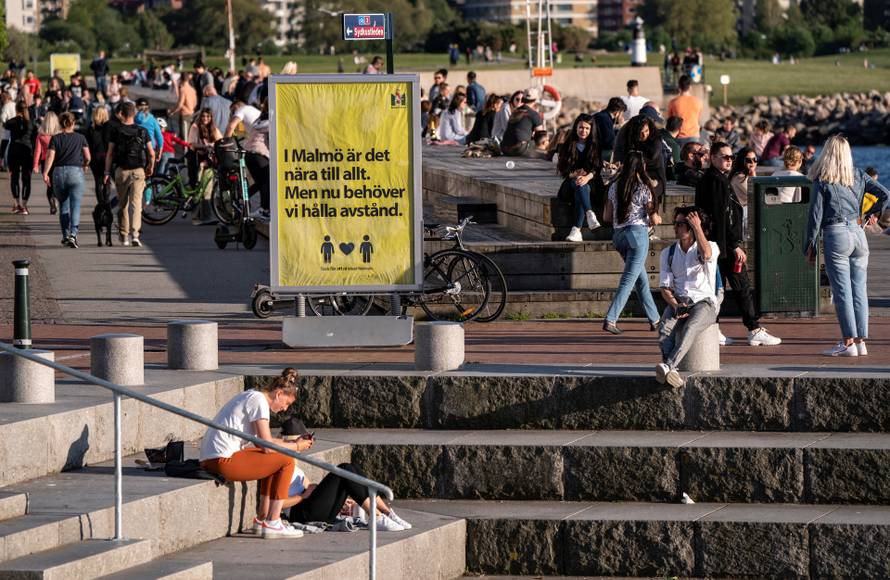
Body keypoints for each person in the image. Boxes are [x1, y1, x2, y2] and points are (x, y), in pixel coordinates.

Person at [804, 135, 889, 357]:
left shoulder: (822, 180)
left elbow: (815, 216)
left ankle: (847, 342)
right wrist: (873, 214)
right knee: (859, 290)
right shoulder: (859, 174)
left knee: (842, 292)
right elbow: (885, 194)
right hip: (858, 233)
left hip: (836, 235)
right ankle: (861, 342)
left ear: (827, 153)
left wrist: (809, 245)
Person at [199, 368, 307, 539]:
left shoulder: (253, 396)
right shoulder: (259, 401)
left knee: (275, 458)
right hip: (221, 460)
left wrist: (293, 443)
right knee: (286, 460)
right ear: (279, 394)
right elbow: (266, 445)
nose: (285, 409)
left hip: (213, 458)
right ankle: (273, 521)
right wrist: (297, 447)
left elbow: (263, 442)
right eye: (286, 403)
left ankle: (263, 519)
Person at [695, 142, 781, 346]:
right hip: (723, 245)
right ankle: (753, 329)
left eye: (731, 157)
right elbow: (721, 216)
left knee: (717, 288)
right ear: (712, 157)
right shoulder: (717, 181)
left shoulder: (711, 179)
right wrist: (734, 245)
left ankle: (714, 328)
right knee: (740, 286)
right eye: (724, 157)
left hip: (716, 244)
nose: (729, 160)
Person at [277, 418, 411, 532]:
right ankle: (376, 517)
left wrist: (338, 497)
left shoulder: (293, 463)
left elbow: (310, 488)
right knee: (344, 469)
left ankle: (386, 513)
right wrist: (303, 496)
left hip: (313, 508)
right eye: (305, 439)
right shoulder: (279, 464)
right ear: (292, 441)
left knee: (353, 468)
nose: (308, 444)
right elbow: (277, 502)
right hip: (301, 514)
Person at [655, 206, 720, 387]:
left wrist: (698, 227)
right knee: (664, 329)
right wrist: (675, 305)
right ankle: (671, 372)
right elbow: (665, 287)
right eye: (675, 223)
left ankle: (668, 365)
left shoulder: (710, 246)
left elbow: (706, 255)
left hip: (704, 303)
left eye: (680, 224)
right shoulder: (668, 253)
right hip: (679, 301)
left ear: (691, 227)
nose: (675, 228)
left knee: (690, 327)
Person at [601, 151, 662, 334]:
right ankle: (611, 318)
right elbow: (654, 219)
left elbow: (606, 216)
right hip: (637, 235)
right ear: (642, 167)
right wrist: (657, 218)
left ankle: (655, 319)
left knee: (640, 280)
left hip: (619, 235)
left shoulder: (614, 186)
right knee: (628, 280)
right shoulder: (643, 189)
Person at [104, 101, 155, 247]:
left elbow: (110, 153)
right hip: (138, 170)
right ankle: (135, 235)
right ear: (134, 113)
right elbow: (151, 153)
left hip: (122, 171)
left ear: (121, 114)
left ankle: (124, 235)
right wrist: (150, 167)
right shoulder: (142, 131)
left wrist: (107, 171)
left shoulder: (116, 131)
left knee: (123, 204)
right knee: (136, 204)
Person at [43, 112, 90, 248]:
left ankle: (65, 235)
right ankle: (73, 235)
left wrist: (46, 172)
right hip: (76, 172)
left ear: (60, 123)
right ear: (73, 123)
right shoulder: (81, 137)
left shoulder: (55, 138)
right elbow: (88, 156)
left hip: (59, 173)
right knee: (75, 206)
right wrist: (85, 165)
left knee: (63, 206)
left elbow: (50, 156)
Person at [558, 113, 602, 242]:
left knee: (582, 187)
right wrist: (574, 175)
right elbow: (563, 169)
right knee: (579, 184)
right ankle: (589, 214)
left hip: (592, 183)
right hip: (571, 183)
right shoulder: (567, 145)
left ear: (591, 130)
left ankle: (576, 230)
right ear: (576, 128)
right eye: (581, 127)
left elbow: (597, 169)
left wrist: (586, 177)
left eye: (587, 128)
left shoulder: (595, 145)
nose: (584, 131)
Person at [225, 100, 269, 216]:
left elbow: (231, 127)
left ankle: (241, 199)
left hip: (251, 151)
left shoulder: (249, 113)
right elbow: (231, 126)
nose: (233, 113)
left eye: (232, 111)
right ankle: (264, 209)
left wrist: (225, 143)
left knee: (261, 182)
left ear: (236, 105)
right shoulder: (256, 113)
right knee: (266, 180)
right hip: (258, 152)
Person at [188, 108, 222, 224]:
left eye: (208, 116)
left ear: (211, 117)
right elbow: (192, 144)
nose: (205, 119)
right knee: (198, 188)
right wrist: (205, 147)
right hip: (197, 161)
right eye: (203, 116)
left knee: (208, 188)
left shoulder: (213, 128)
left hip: (209, 162)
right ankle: (196, 217)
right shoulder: (195, 127)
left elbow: (220, 140)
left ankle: (207, 217)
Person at [500, 88, 544, 157]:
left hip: (504, 148)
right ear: (535, 101)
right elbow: (541, 135)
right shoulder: (533, 114)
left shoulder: (515, 111)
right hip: (519, 149)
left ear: (523, 99)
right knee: (541, 144)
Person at [5, 102, 32, 214]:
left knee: (14, 178)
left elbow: (5, 127)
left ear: (16, 109)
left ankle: (17, 204)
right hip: (27, 152)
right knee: (26, 179)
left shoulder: (10, 122)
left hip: (14, 152)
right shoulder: (31, 123)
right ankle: (24, 206)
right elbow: (34, 138)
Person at [32, 111, 60, 215]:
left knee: (49, 185)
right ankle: (56, 198)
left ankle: (52, 203)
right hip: (58, 161)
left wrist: (35, 165)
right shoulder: (60, 135)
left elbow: (37, 151)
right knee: (58, 184)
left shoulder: (41, 135)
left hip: (45, 162)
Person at [667, 75, 702, 147]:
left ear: (679, 86)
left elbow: (670, 120)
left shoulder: (673, 102)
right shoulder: (698, 102)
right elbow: (698, 119)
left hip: (678, 136)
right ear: (690, 87)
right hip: (694, 136)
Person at [729, 146, 757, 234]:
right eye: (748, 160)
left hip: (745, 213)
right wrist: (753, 174)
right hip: (742, 215)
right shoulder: (739, 177)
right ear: (742, 161)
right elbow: (756, 193)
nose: (752, 163)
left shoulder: (745, 176)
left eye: (755, 159)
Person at [86, 107, 113, 198]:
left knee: (98, 181)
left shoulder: (91, 128)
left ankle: (102, 203)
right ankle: (106, 201)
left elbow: (88, 145)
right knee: (107, 181)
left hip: (95, 157)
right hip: (107, 156)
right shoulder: (110, 127)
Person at [168, 75, 197, 140]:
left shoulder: (183, 89)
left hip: (185, 115)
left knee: (185, 138)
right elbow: (195, 103)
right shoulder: (193, 90)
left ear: (181, 80)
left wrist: (172, 112)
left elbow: (180, 105)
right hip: (191, 114)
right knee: (189, 136)